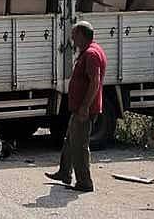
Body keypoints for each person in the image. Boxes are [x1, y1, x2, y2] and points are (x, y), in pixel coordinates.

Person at [45, 20, 107, 192]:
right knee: (70, 141)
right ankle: (64, 172)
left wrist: (85, 106)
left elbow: (94, 82)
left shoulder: (91, 54)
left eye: (74, 35)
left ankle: (84, 182)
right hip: (80, 107)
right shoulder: (89, 51)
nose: (72, 39)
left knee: (79, 146)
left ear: (81, 35)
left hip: (84, 109)